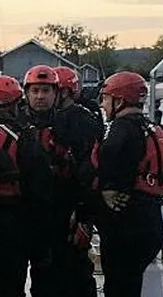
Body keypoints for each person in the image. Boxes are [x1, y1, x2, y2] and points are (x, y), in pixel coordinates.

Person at [0, 76, 53, 297]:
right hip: (13, 218)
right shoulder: (25, 135)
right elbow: (39, 184)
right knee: (10, 284)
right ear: (15, 104)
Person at [92, 71, 163, 297]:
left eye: (105, 99)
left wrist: (107, 188)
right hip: (152, 219)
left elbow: (110, 160)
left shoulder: (121, 129)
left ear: (119, 101)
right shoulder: (153, 129)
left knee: (118, 286)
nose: (102, 105)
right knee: (131, 284)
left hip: (128, 222)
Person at [22, 65, 76, 297]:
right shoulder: (17, 124)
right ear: (26, 93)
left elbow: (85, 169)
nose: (40, 96)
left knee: (57, 273)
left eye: (45, 91)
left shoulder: (71, 124)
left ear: (56, 93)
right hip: (23, 210)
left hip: (59, 208)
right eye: (35, 91)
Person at [52, 66, 105, 297]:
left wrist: (83, 213)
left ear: (63, 92)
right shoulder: (84, 116)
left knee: (74, 265)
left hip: (73, 202)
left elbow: (88, 167)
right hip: (62, 202)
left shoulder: (79, 120)